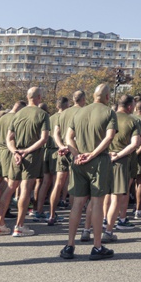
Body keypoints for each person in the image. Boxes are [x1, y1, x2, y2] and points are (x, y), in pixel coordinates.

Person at [61, 83, 117, 261]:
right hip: (98, 161)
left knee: (77, 204)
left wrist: (77, 154)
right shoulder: (109, 112)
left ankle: (70, 245)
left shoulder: (78, 112)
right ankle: (97, 246)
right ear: (107, 97)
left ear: (93, 96)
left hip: (78, 161)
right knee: (97, 204)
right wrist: (93, 154)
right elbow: (109, 137)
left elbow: (68, 137)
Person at [1, 87, 50, 238]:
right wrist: (27, 151)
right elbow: (43, 139)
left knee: (10, 188)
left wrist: (15, 151)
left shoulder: (17, 114)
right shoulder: (42, 114)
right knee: (25, 190)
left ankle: (0, 223)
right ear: (39, 97)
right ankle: (19, 225)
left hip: (15, 154)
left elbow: (9, 138)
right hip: (31, 155)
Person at [103, 94, 141, 240]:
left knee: (104, 194)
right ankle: (109, 230)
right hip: (121, 161)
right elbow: (135, 144)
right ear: (130, 106)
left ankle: (101, 221)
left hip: (104, 159)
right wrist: (118, 155)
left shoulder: (108, 117)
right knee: (116, 197)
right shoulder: (133, 121)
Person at [49, 91, 85, 226]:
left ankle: (52, 215)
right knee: (74, 184)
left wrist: (61, 146)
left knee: (58, 184)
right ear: (83, 99)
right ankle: (74, 215)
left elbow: (56, 133)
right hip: (75, 150)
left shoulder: (63, 113)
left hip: (62, 151)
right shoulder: (83, 112)